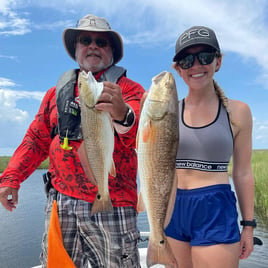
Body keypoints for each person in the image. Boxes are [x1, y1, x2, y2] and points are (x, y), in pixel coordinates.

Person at [0, 14, 145, 268]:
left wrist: (122, 113)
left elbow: (140, 134)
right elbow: (36, 139)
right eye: (86, 40)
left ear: (112, 51)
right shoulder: (55, 94)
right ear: (76, 48)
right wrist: (11, 177)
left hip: (113, 203)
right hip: (61, 202)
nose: (93, 46)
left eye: (102, 42)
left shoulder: (129, 90)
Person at [164, 26, 255, 268]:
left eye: (204, 56)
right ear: (178, 69)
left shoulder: (238, 112)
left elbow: (243, 172)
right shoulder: (167, 112)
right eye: (186, 60)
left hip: (214, 209)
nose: (196, 65)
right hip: (173, 207)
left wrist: (248, 225)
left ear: (218, 61)